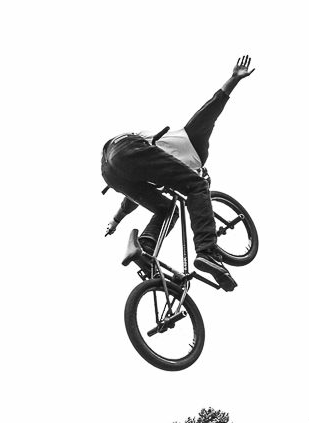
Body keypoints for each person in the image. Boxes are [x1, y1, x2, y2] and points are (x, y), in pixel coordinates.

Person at [101, 56, 255, 290]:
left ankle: (145, 249)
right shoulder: (194, 141)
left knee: (167, 208)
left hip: (110, 170)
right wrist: (233, 79)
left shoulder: (160, 170)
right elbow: (210, 110)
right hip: (129, 147)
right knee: (197, 187)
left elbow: (131, 200)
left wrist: (115, 221)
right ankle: (207, 252)